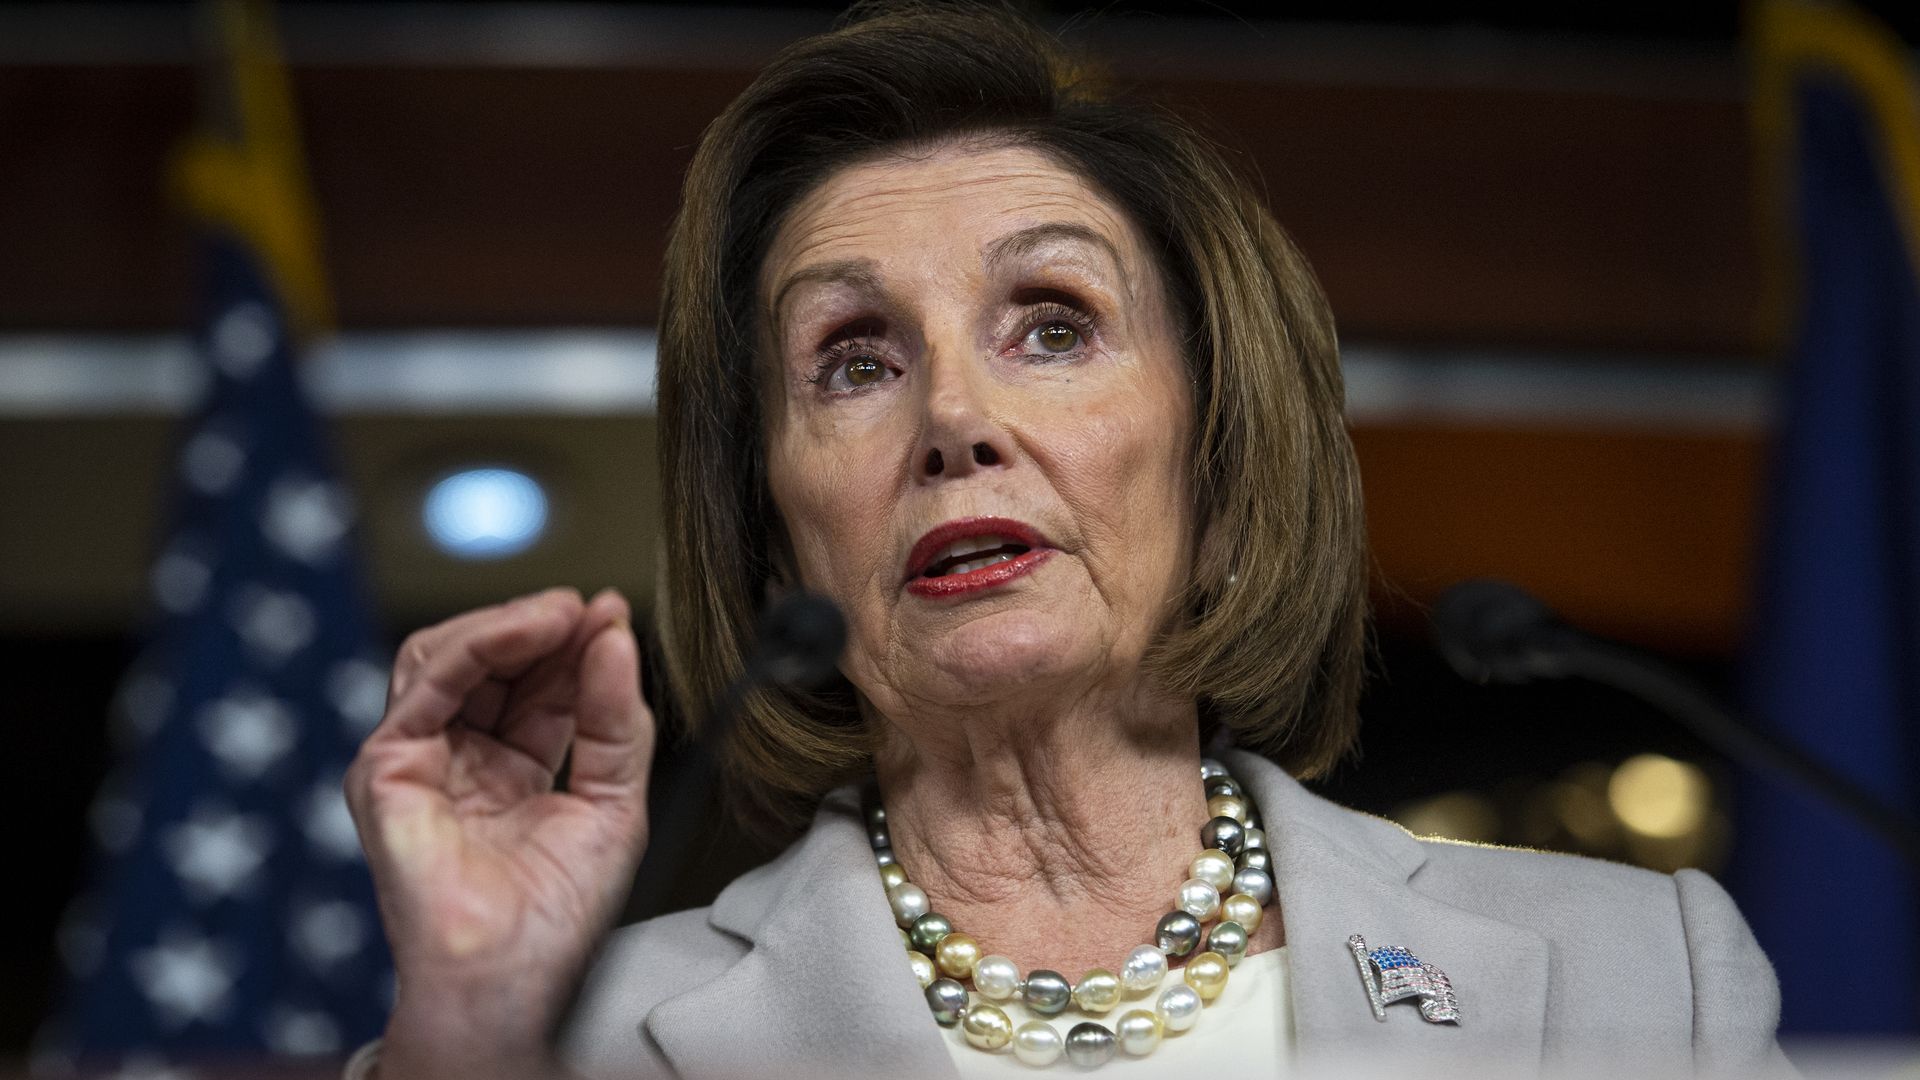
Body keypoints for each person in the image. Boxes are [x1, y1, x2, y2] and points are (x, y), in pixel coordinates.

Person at [343, 5, 1792, 1078]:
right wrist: (472, 1018)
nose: (953, 417)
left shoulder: (1637, 978)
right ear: (778, 546)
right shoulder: (586, 1044)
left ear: (1223, 476)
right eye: (852, 359)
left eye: (1052, 325)